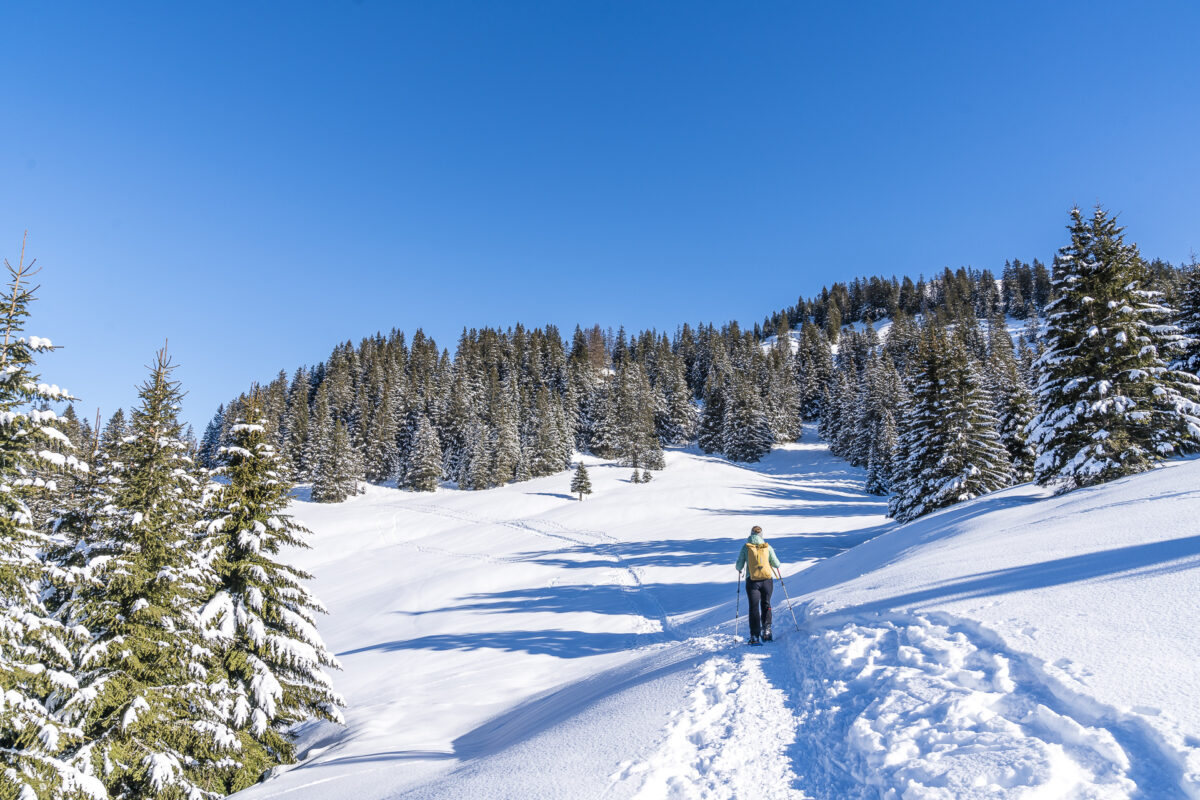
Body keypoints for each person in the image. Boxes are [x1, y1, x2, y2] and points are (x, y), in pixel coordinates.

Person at [735, 525, 781, 644]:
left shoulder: (746, 547)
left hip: (752, 582)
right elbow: (776, 564)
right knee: (766, 604)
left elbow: (739, 566)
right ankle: (767, 631)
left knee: (754, 607)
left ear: (750, 534)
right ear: (761, 535)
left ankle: (754, 636)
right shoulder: (767, 547)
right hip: (767, 581)